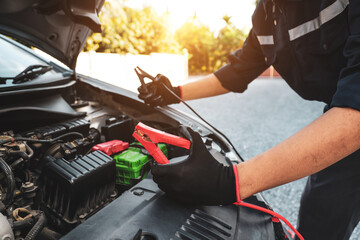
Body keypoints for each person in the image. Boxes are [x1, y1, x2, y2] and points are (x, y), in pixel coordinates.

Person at [138, 0, 360, 239]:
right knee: (319, 217)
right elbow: (236, 73)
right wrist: (174, 92)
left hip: (352, 112)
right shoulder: (266, 15)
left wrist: (229, 182)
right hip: (342, 114)